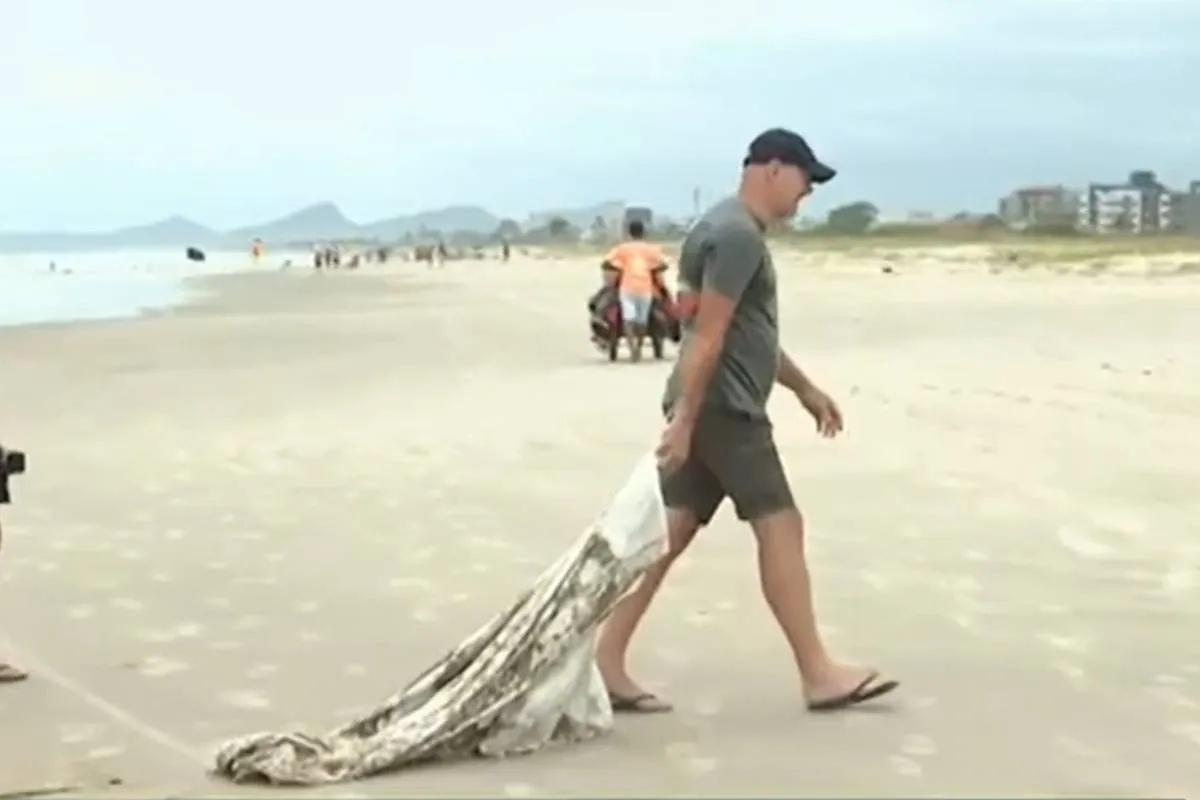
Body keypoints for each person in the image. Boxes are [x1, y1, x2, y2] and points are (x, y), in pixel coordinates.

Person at [596, 128, 898, 713]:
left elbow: (736, 334)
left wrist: (803, 387)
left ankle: (606, 661)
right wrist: (686, 419)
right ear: (773, 168)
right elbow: (708, 336)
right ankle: (818, 673)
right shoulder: (737, 238)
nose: (807, 195)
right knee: (780, 523)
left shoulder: (720, 227)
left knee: (671, 532)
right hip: (723, 410)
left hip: (706, 402)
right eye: (806, 180)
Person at [601, 220, 667, 360]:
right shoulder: (652, 249)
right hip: (646, 288)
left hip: (627, 287)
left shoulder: (621, 249)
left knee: (628, 319)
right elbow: (661, 267)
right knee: (642, 321)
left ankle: (633, 349)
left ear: (629, 233)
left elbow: (606, 263)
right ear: (644, 232)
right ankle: (640, 345)